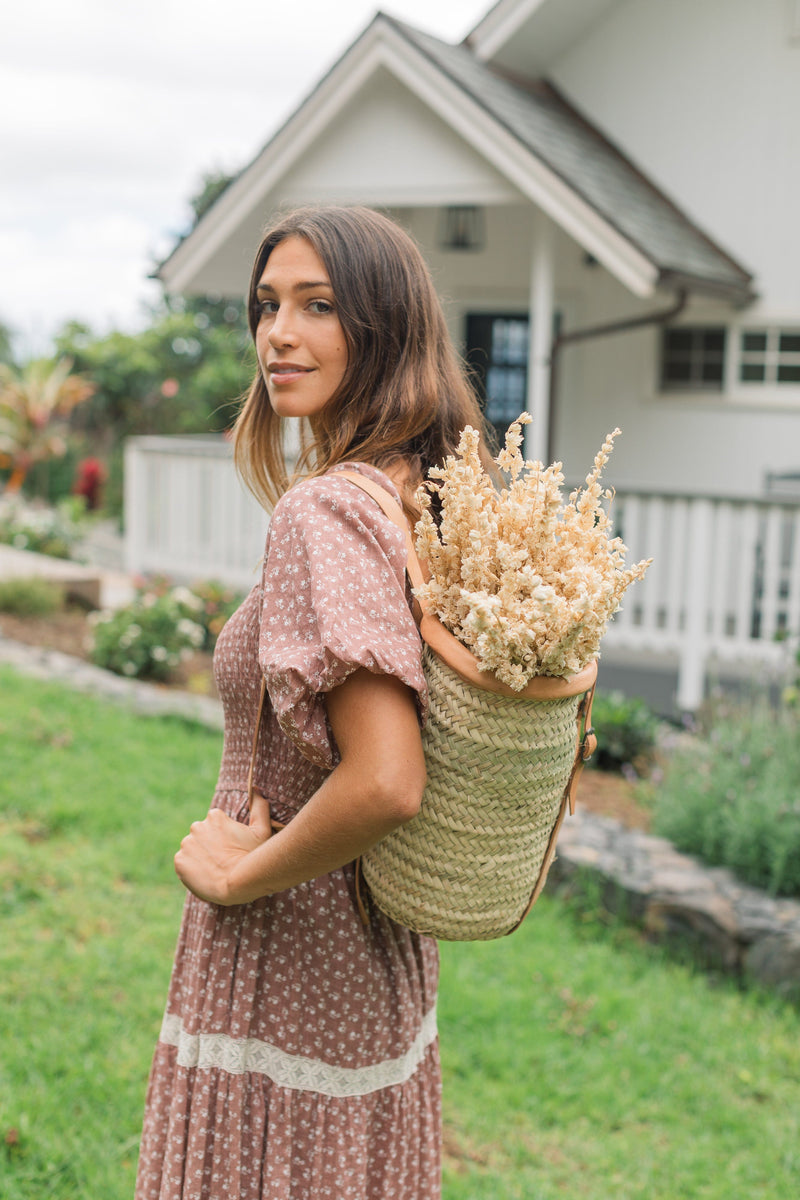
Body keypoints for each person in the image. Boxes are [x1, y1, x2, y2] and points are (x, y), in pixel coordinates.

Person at [135, 205, 491, 1200]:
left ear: (382, 326)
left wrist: (237, 881)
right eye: (266, 305)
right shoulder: (407, 492)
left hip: (289, 951)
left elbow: (384, 782)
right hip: (375, 956)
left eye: (317, 305)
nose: (275, 335)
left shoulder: (327, 508)